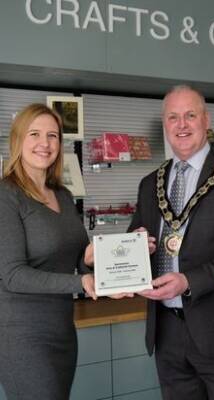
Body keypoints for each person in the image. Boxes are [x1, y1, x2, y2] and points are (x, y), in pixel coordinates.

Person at [128, 85, 214, 400]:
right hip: (166, 330)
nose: (182, 124)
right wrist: (135, 245)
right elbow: (136, 235)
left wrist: (188, 281)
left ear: (206, 119)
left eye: (190, 115)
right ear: (165, 124)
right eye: (173, 117)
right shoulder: (150, 183)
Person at [0, 103, 97, 400]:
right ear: (18, 140)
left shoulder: (63, 196)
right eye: (35, 134)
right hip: (22, 333)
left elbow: (76, 258)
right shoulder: (6, 196)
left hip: (62, 328)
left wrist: (91, 259)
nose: (45, 143)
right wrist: (80, 282)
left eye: (53, 135)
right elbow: (13, 276)